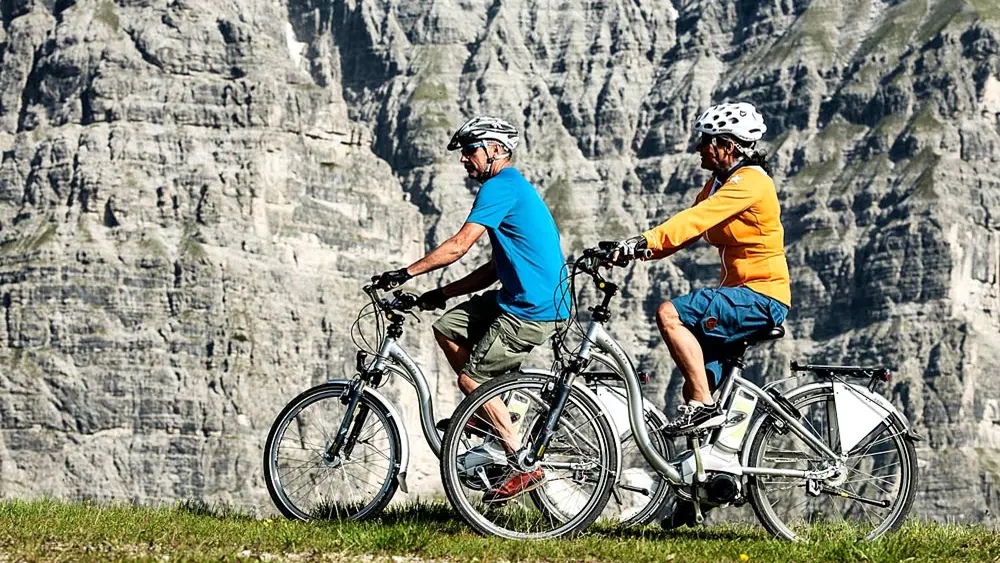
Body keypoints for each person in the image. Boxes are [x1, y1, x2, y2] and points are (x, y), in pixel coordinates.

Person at [374, 115, 570, 502]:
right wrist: (441, 294)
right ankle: (493, 418)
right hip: (516, 297)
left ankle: (520, 461)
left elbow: (459, 245)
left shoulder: (501, 186)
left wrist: (405, 273)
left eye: (469, 151)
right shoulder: (510, 188)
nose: (464, 159)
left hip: (532, 308)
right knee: (448, 327)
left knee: (471, 381)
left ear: (495, 150)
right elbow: (495, 267)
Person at [615, 101, 791, 433]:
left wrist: (643, 240)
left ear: (727, 146)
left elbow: (697, 220)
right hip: (739, 295)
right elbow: (684, 233)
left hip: (761, 296)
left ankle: (706, 408)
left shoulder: (751, 181)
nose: (699, 147)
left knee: (669, 314)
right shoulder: (717, 183)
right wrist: (634, 250)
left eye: (705, 140)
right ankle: (713, 471)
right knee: (697, 385)